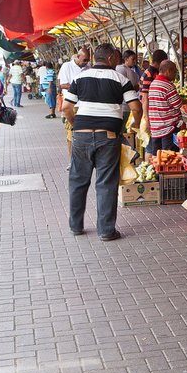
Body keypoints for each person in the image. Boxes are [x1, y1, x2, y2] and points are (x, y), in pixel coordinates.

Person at [62, 43, 140, 241]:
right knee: (106, 183)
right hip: (109, 137)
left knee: (77, 181)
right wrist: (135, 125)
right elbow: (136, 107)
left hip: (81, 136)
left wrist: (76, 125)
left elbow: (66, 108)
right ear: (112, 58)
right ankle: (106, 231)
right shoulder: (120, 78)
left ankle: (76, 226)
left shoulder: (79, 77)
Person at [59, 48, 91, 166]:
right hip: (72, 105)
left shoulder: (88, 67)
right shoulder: (67, 66)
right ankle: (72, 161)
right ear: (78, 56)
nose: (86, 62)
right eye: (84, 60)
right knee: (71, 134)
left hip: (85, 105)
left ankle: (85, 160)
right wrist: (80, 86)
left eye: (88, 60)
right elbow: (62, 84)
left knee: (85, 133)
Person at [148, 60, 183, 152]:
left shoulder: (153, 83)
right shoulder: (168, 86)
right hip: (168, 128)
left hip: (156, 129)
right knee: (170, 157)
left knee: (158, 157)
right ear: (168, 71)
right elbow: (178, 105)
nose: (175, 75)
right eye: (174, 72)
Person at [140, 49, 168, 155]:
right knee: (151, 145)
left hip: (152, 113)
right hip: (150, 114)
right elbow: (145, 97)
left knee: (152, 144)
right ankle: (149, 168)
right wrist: (147, 118)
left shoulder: (152, 72)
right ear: (161, 61)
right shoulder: (150, 74)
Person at [116, 50, 142, 128]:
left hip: (127, 107)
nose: (135, 61)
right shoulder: (121, 69)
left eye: (135, 59)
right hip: (122, 106)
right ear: (126, 59)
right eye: (133, 59)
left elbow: (137, 87)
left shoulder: (133, 72)